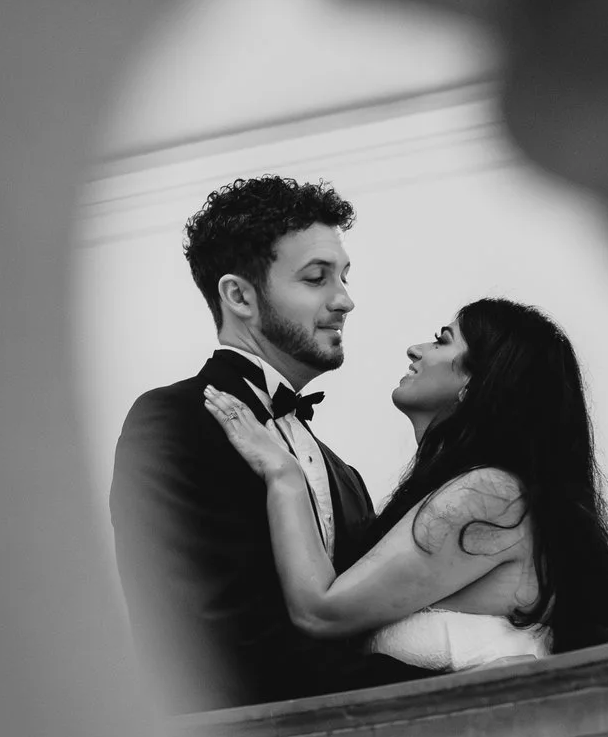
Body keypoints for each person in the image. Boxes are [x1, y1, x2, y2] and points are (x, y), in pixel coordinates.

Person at [110, 176, 434, 710]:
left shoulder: (342, 474)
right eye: (316, 278)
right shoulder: (173, 421)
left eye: (344, 277)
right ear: (239, 295)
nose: (345, 300)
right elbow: (200, 634)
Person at [203, 297, 608, 671]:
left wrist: (284, 474)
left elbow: (321, 612)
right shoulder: (492, 493)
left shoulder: (489, 496)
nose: (415, 349)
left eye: (442, 341)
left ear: (475, 382)